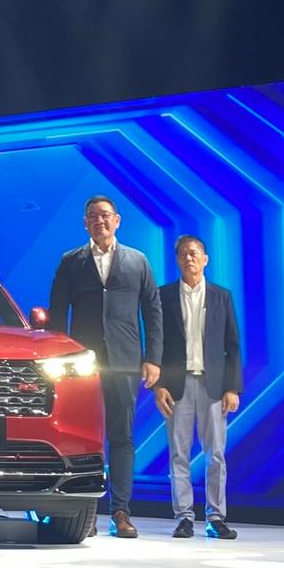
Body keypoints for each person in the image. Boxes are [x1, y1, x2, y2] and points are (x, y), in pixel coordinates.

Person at [47, 195, 164, 538]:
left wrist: (153, 358)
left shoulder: (137, 260)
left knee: (121, 436)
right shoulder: (71, 261)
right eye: (93, 216)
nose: (99, 221)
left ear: (117, 220)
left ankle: (120, 511)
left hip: (125, 362)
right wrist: (57, 357)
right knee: (80, 437)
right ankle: (83, 511)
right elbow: (57, 313)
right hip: (81, 365)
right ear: (85, 223)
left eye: (105, 215)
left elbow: (152, 312)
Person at [154, 234, 242, 539]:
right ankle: (184, 517)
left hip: (213, 385)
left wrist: (233, 388)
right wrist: (159, 385)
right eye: (182, 253)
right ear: (176, 260)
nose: (188, 258)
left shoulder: (221, 296)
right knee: (178, 454)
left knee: (215, 454)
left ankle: (216, 517)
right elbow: (156, 343)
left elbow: (233, 345)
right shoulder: (163, 296)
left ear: (205, 260)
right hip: (176, 386)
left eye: (193, 253)